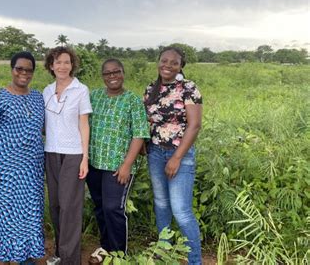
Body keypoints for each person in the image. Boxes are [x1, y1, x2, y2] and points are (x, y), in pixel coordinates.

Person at [0, 51, 45, 264]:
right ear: (12, 69)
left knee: (29, 216)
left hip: (32, 171)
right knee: (4, 216)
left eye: (28, 70)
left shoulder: (38, 97)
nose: (24, 73)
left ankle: (25, 257)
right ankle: (5, 257)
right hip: (5, 171)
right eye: (19, 69)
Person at [143, 46, 203, 264]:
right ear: (158, 61)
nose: (167, 65)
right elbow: (146, 122)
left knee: (181, 210)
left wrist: (176, 158)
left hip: (180, 154)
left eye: (173, 62)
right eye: (164, 61)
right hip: (155, 153)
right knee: (161, 204)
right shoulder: (151, 89)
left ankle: (194, 260)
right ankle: (164, 251)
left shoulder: (188, 88)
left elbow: (195, 125)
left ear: (180, 66)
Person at [87, 59, 150, 263]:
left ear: (123, 73)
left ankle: (118, 255)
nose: (112, 76)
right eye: (107, 73)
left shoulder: (132, 100)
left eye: (116, 72)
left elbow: (139, 134)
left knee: (113, 208)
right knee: (100, 206)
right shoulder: (94, 96)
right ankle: (105, 247)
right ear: (102, 76)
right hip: (94, 163)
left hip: (118, 166)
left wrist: (126, 165)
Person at [43, 46, 92, 265]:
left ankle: (70, 260)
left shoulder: (80, 90)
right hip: (50, 152)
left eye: (66, 62)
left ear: (72, 65)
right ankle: (60, 253)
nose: (62, 66)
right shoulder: (46, 90)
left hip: (73, 154)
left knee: (69, 206)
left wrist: (85, 158)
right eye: (57, 62)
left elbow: (84, 124)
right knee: (55, 204)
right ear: (51, 66)